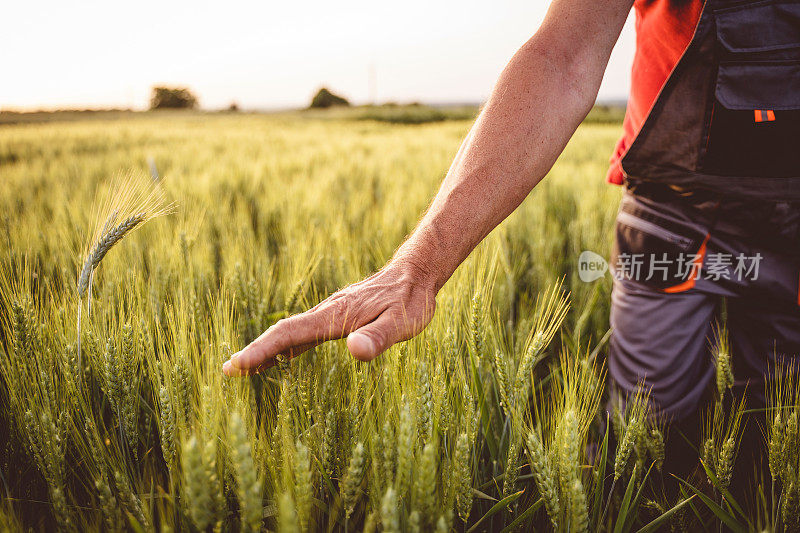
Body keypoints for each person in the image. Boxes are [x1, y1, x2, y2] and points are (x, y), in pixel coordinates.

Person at [222, 0, 800, 477]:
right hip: (671, 212)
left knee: (780, 419)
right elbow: (560, 56)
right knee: (642, 437)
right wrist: (418, 268)